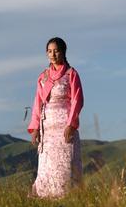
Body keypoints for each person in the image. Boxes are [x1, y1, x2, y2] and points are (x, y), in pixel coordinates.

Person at [28, 37, 84, 198]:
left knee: (66, 163)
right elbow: (38, 102)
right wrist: (35, 127)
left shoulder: (71, 74)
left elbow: (77, 100)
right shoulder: (43, 77)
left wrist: (71, 124)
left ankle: (68, 198)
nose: (52, 54)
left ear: (63, 52)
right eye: (49, 51)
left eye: (56, 51)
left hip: (65, 126)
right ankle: (45, 199)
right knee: (47, 166)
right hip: (47, 128)